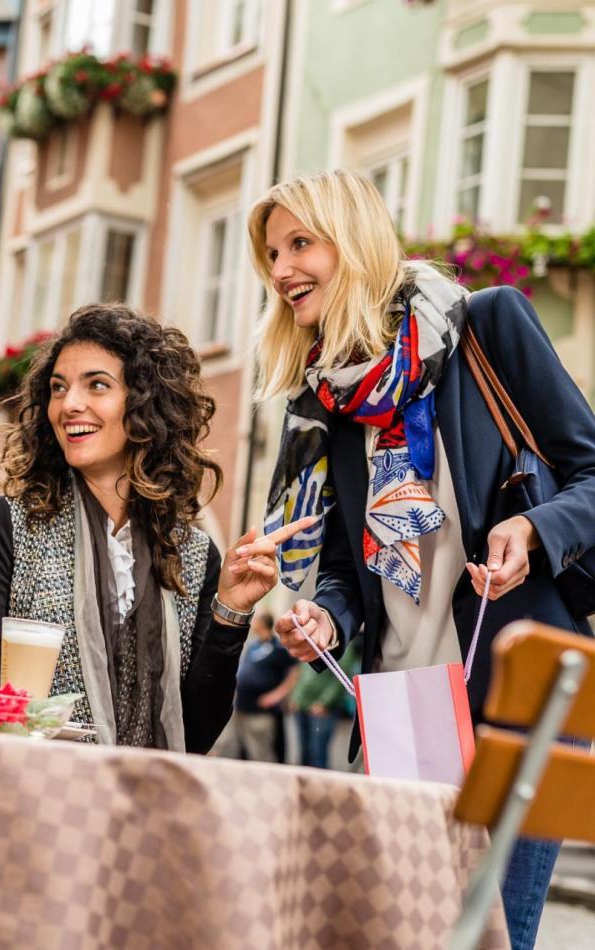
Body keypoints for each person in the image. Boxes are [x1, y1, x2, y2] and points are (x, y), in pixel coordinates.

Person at [236, 168, 595, 949]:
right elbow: (342, 565)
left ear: (356, 242)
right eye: (272, 253)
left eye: (302, 243)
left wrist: (533, 532)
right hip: (402, 710)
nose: (282, 269)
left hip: (514, 704)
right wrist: (323, 618)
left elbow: (593, 473)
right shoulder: (329, 399)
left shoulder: (488, 328)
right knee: (398, 935)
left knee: (494, 937)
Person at [0, 304, 314, 752]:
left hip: (142, 810)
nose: (69, 404)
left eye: (97, 385)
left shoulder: (192, 554)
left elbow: (195, 735)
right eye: (58, 388)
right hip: (25, 801)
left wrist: (231, 610)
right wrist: (46, 730)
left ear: (146, 403)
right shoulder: (8, 527)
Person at [213, 611, 298, 762]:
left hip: (260, 712)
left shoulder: (278, 648)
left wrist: (277, 695)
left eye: (257, 620)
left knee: (259, 753)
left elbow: (294, 672)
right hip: (241, 708)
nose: (254, 623)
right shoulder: (253, 645)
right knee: (236, 751)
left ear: (264, 624)